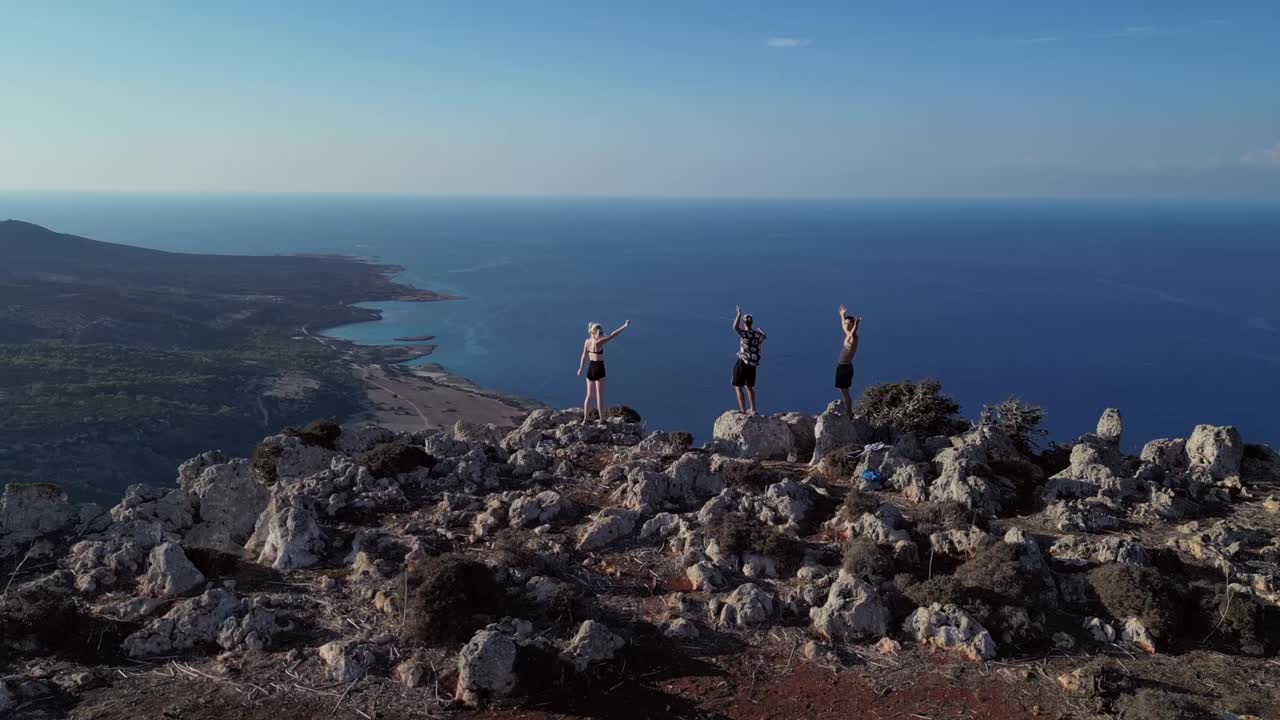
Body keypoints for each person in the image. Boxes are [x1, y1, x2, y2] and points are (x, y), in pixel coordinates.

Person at [577, 320, 630, 423]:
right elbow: (613, 335)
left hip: (590, 368)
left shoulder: (587, 342)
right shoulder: (599, 342)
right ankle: (601, 420)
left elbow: (584, 355)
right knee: (600, 396)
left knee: (589, 395)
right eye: (600, 333)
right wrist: (625, 326)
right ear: (594, 333)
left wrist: (580, 369)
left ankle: (585, 419)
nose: (601, 334)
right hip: (599, 368)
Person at [731, 306, 766, 414]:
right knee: (749, 387)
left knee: (738, 386)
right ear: (752, 323)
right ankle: (753, 409)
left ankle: (743, 410)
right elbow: (764, 336)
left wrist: (738, 314)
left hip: (743, 362)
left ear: (744, 323)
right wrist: (761, 331)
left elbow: (735, 328)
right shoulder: (758, 335)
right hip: (752, 364)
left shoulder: (745, 334)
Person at [836, 305, 862, 414]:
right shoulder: (848, 334)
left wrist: (856, 324)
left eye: (848, 323)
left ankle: (849, 413)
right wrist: (843, 316)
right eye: (846, 323)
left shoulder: (853, 337)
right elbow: (843, 326)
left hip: (845, 367)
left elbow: (852, 332)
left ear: (852, 325)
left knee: (845, 392)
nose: (846, 325)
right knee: (843, 391)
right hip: (842, 366)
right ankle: (848, 411)